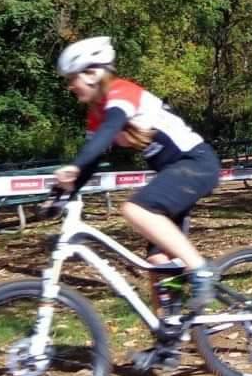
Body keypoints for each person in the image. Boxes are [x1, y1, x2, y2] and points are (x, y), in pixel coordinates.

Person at [52, 36, 220, 309]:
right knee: (158, 263)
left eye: (73, 78)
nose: (70, 85)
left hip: (197, 163)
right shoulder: (96, 114)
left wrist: (74, 167)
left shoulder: (122, 92)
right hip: (174, 172)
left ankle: (201, 269)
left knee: (135, 209)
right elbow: (93, 157)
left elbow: (109, 130)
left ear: (93, 73)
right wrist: (60, 194)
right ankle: (171, 333)